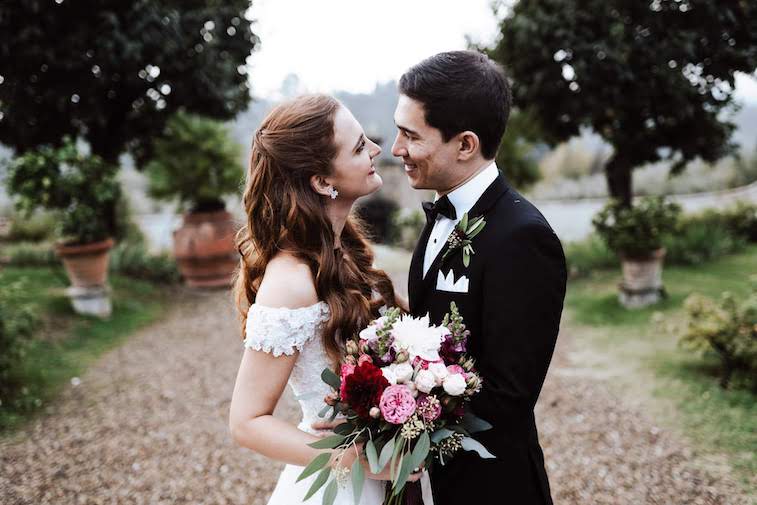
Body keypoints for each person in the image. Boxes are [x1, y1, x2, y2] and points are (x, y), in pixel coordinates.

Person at [228, 94, 423, 505]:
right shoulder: (290, 280)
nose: (375, 150)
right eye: (358, 147)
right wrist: (357, 458)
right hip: (342, 487)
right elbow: (246, 422)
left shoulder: (346, 249)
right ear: (321, 180)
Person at [393, 51, 567, 504]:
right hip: (426, 481)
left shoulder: (524, 237)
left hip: (490, 486)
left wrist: (404, 415)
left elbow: (510, 393)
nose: (396, 149)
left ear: (465, 145)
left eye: (410, 135)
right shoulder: (440, 212)